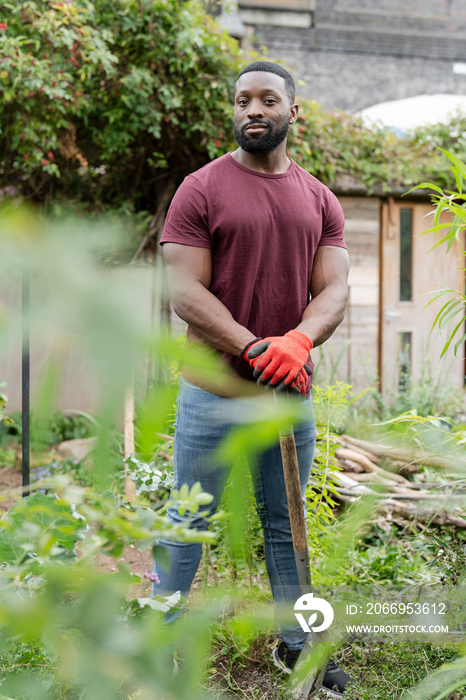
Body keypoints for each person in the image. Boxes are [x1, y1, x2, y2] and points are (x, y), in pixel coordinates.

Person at [154, 60, 352, 697]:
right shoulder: (201, 188)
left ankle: (296, 643)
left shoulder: (319, 197)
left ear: (295, 112)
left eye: (268, 100)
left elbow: (336, 289)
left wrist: (297, 341)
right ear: (234, 110)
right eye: (243, 101)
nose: (253, 110)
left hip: (287, 398)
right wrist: (253, 344)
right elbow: (184, 289)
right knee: (189, 520)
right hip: (213, 391)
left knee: (285, 522)